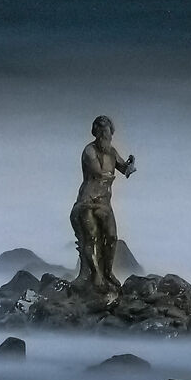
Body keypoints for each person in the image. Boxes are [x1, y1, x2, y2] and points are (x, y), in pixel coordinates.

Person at [70, 115, 136, 295]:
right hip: (88, 201)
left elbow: (124, 169)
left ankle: (108, 272)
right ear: (96, 134)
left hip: (104, 203)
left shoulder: (112, 152)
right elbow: (98, 173)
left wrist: (130, 165)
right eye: (103, 134)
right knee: (91, 237)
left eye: (108, 134)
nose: (106, 138)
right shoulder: (89, 152)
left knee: (112, 237)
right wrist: (113, 174)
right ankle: (95, 274)